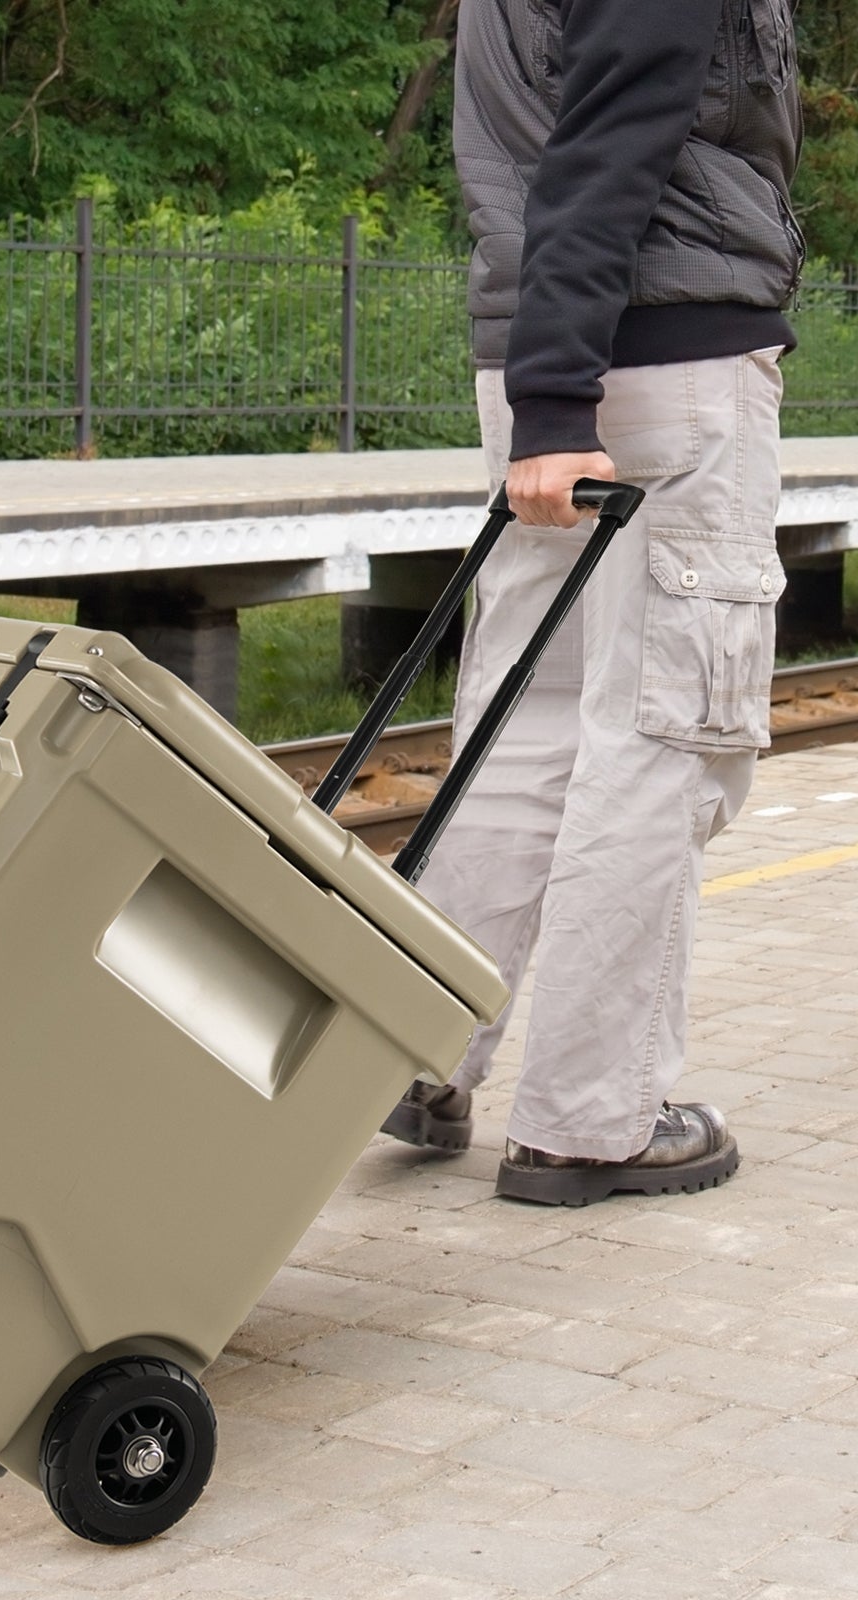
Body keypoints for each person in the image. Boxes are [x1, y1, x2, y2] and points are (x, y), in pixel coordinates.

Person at [379, 0, 803, 1205]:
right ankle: (590, 1120)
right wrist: (562, 400)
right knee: (663, 737)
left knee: (522, 731)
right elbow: (610, 134)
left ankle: (409, 1052)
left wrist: (544, 394)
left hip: (542, 354)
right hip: (647, 358)